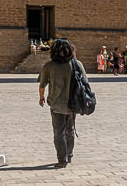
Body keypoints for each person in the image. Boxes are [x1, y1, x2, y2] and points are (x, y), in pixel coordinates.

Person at [37, 38, 88, 168]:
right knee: (69, 130)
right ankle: (69, 155)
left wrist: (41, 97)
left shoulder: (49, 66)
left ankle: (62, 160)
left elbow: (42, 85)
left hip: (56, 105)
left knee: (58, 133)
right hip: (73, 104)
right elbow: (86, 84)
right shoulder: (77, 64)